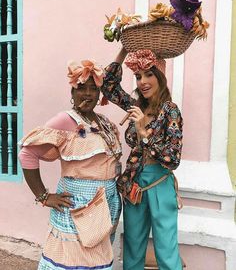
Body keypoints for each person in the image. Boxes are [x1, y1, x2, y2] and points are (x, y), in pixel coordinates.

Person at [18, 59, 122, 270]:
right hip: (78, 206)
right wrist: (44, 196)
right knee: (74, 262)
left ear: (100, 94)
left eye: (94, 89)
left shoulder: (104, 122)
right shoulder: (66, 120)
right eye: (81, 88)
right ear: (72, 93)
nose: (88, 94)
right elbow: (27, 153)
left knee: (96, 261)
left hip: (104, 205)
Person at [101, 48, 184, 270]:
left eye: (149, 74)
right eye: (138, 76)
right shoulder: (136, 106)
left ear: (161, 77)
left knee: (166, 251)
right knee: (133, 249)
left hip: (160, 184)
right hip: (134, 185)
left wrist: (144, 134)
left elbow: (172, 159)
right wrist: (122, 50)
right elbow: (107, 85)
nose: (143, 82)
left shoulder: (170, 111)